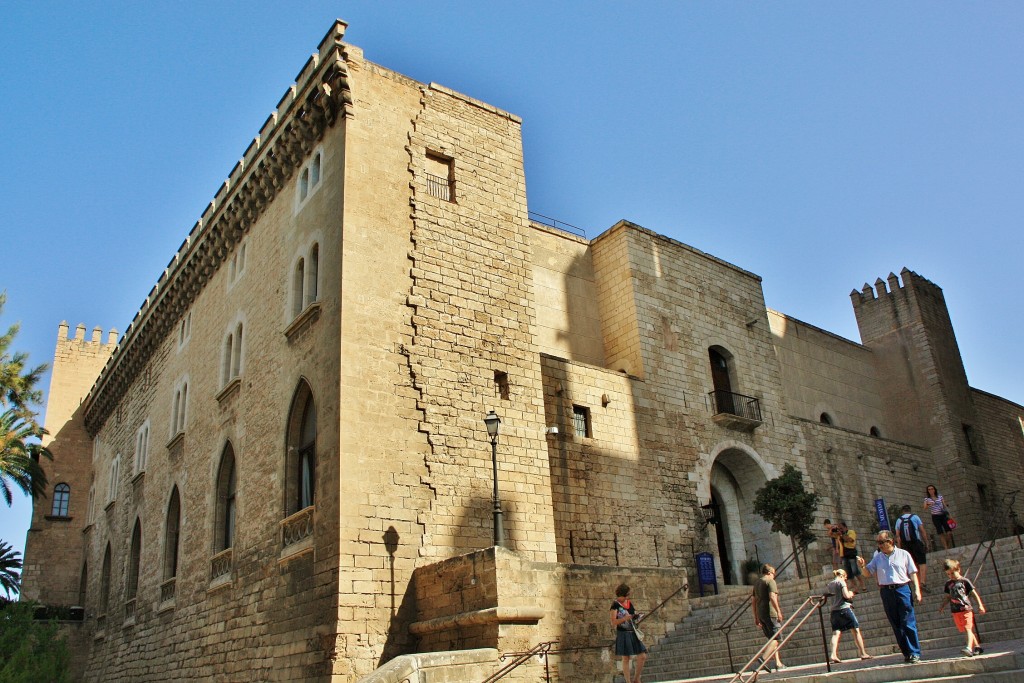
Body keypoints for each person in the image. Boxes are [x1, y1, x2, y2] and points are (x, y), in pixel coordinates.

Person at [857, 530, 923, 664]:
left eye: (881, 542)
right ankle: (906, 652)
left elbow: (913, 572)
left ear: (890, 541)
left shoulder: (903, 554)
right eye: (878, 542)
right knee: (896, 624)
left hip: (902, 589)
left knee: (908, 622)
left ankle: (914, 652)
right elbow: (867, 573)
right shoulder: (878, 557)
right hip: (886, 591)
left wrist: (917, 590)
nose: (879, 545)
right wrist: (862, 566)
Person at [939, 559, 987, 657]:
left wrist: (980, 605)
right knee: (965, 629)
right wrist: (942, 606)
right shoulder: (948, 584)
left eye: (953, 573)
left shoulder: (965, 581)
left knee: (967, 628)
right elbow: (948, 597)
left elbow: (974, 594)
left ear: (958, 570)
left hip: (966, 609)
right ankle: (977, 647)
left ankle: (968, 648)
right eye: (948, 574)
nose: (951, 576)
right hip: (955, 610)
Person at [825, 568, 872, 663]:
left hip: (834, 611)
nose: (846, 579)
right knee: (856, 630)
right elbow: (846, 595)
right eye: (845, 577)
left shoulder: (830, 584)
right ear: (842, 575)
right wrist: (851, 593)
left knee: (835, 633)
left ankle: (833, 654)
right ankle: (863, 653)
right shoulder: (841, 582)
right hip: (844, 609)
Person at [751, 564, 786, 672]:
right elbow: (772, 596)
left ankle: (778, 663)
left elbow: (753, 601)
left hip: (761, 614)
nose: (774, 576)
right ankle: (763, 659)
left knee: (772, 639)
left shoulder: (757, 583)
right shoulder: (770, 581)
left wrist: (756, 616)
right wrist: (778, 611)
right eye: (774, 574)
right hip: (770, 613)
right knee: (777, 638)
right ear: (770, 572)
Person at [610, 583, 647, 683]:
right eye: (627, 594)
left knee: (642, 656)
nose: (628, 597)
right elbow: (613, 622)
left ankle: (636, 679)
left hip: (633, 632)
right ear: (623, 594)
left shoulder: (629, 603)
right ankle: (628, 681)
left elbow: (632, 615)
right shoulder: (615, 605)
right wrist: (624, 618)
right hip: (623, 633)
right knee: (626, 658)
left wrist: (636, 617)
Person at [895, 504, 930, 591]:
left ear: (902, 511)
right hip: (916, 542)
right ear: (910, 510)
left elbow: (898, 536)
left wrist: (899, 549)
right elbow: (922, 530)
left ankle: (917, 583)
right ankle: (923, 582)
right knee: (922, 562)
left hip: (906, 545)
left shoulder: (899, 520)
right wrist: (926, 543)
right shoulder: (915, 517)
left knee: (913, 564)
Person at [923, 485, 954, 550]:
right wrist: (928, 504)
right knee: (940, 532)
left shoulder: (940, 496)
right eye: (929, 489)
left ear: (934, 490)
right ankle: (946, 547)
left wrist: (950, 515)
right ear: (928, 491)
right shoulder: (927, 499)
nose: (931, 490)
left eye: (932, 489)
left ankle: (947, 544)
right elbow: (925, 507)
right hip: (935, 516)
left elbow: (944, 505)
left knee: (949, 532)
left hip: (943, 515)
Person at [838, 522, 865, 592]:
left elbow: (849, 540)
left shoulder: (851, 532)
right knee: (849, 573)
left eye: (841, 528)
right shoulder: (839, 535)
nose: (840, 530)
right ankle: (855, 588)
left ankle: (863, 585)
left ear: (845, 527)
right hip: (844, 555)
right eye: (839, 529)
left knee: (855, 571)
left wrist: (843, 534)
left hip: (851, 553)